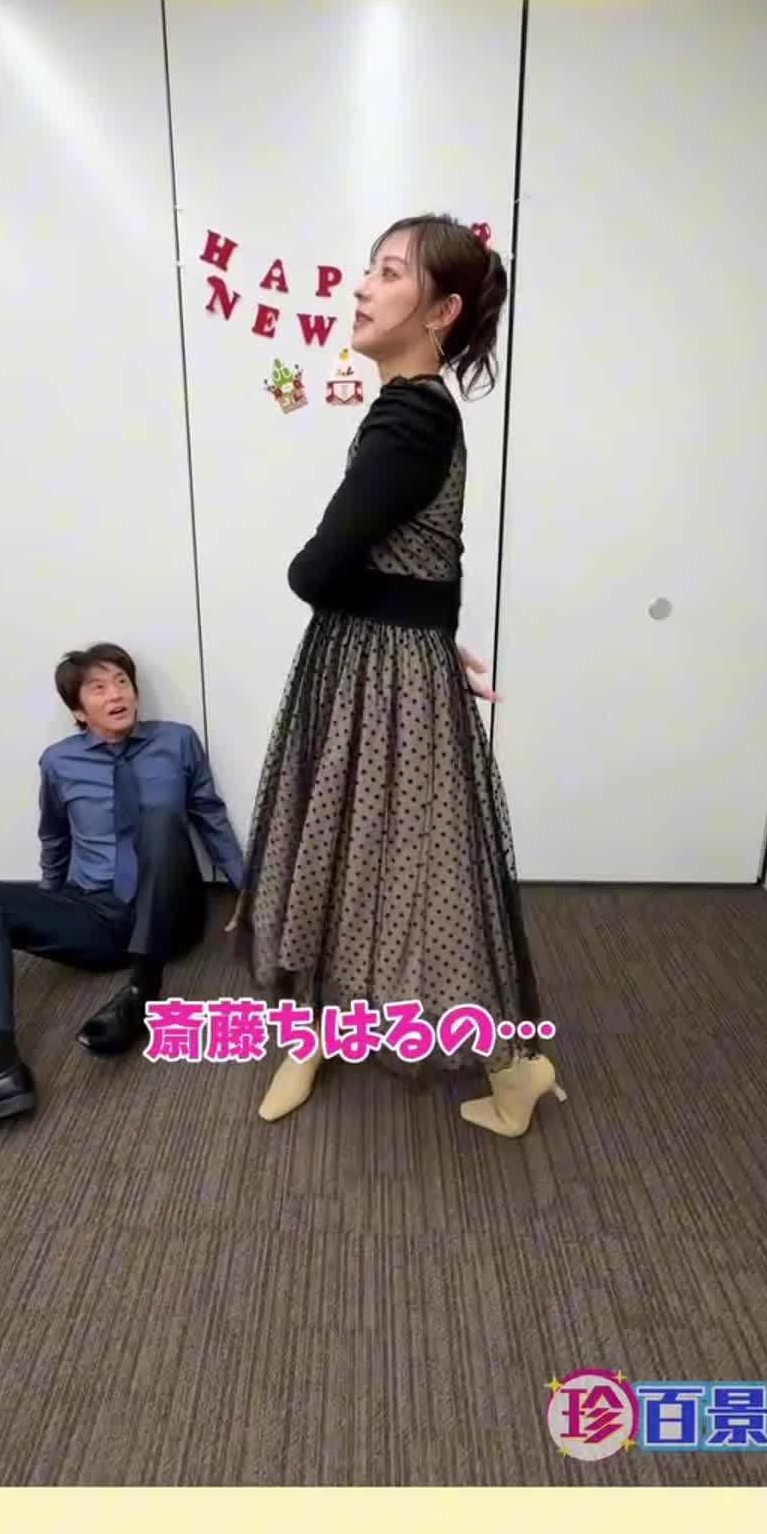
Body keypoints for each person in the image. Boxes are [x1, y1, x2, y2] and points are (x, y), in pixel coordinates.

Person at [233, 214, 566, 1136]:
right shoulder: (417, 411)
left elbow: (316, 570)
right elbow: (431, 556)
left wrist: (410, 625)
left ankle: (512, 1069)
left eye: (387, 273)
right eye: (368, 269)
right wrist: (428, 630)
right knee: (353, 850)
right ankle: (320, 1034)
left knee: (409, 864)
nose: (361, 287)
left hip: (377, 672)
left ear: (441, 310)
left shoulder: (410, 416)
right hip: (380, 661)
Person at [0, 642, 244, 1138]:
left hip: (172, 912)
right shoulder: (59, 762)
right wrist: (48, 898)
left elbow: (209, 814)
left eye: (122, 682)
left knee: (161, 821)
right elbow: (54, 837)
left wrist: (249, 890)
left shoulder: (177, 740)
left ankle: (141, 992)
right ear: (79, 711)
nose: (115, 694)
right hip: (99, 913)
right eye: (98, 688)